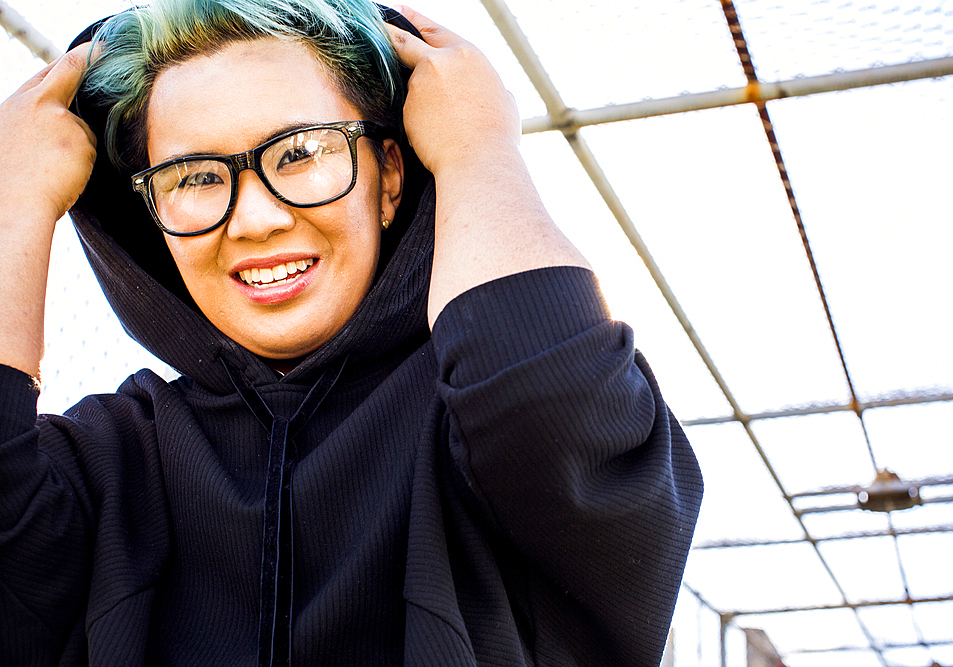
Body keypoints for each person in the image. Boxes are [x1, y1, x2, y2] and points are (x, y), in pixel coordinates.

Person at [0, 0, 702, 665]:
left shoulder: (467, 435)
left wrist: (478, 150)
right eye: (195, 175)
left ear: (390, 176)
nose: (255, 220)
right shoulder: (110, 460)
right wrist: (10, 202)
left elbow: (555, 407)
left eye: (302, 152)